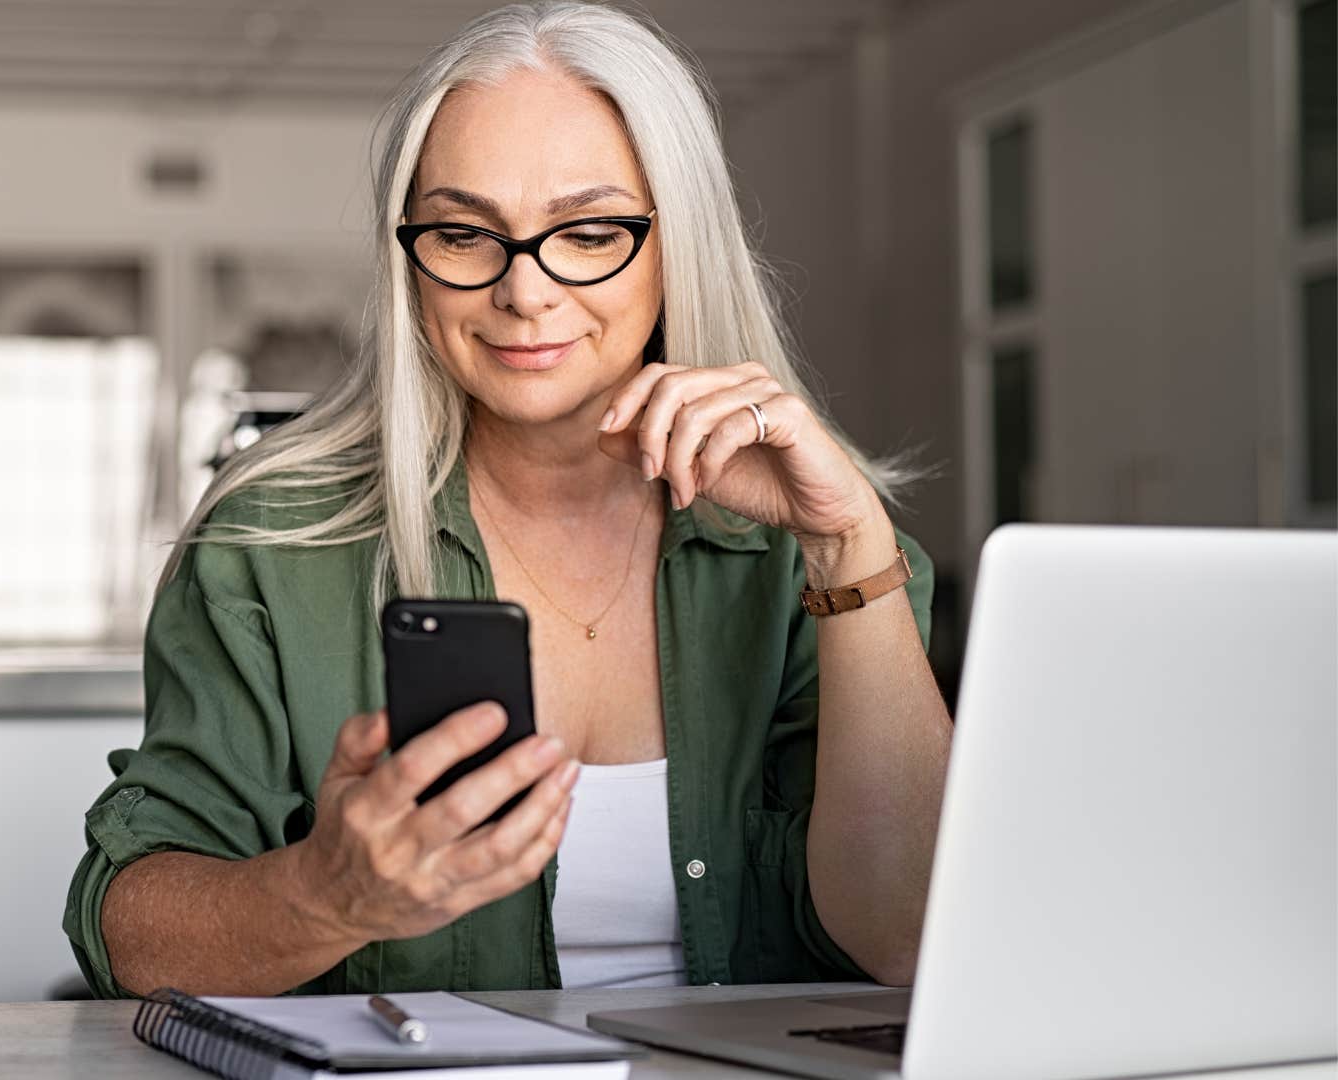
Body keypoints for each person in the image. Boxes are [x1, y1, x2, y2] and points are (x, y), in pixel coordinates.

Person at [63, 0, 953, 999]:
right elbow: (129, 932)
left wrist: (848, 552)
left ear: (677, 241)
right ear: (410, 261)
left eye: (587, 232)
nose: (523, 292)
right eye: (462, 233)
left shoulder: (822, 552)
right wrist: (325, 896)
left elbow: (910, 938)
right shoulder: (272, 541)